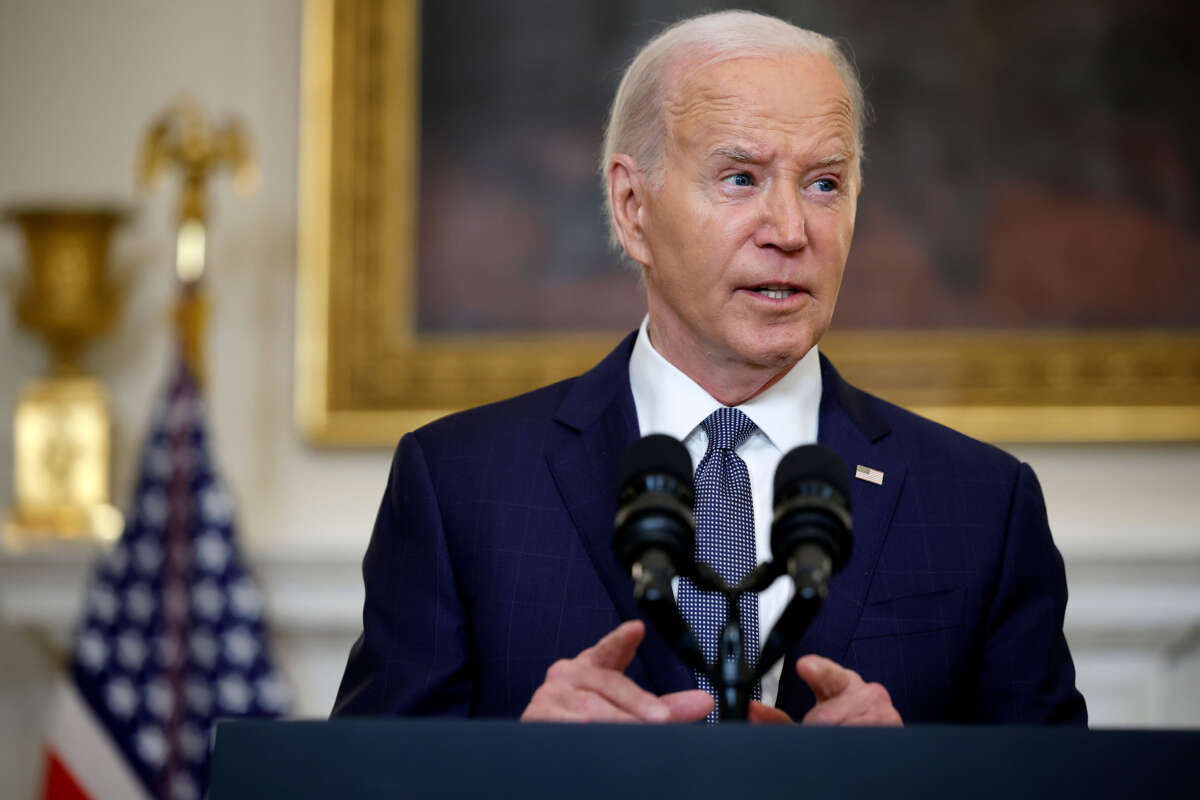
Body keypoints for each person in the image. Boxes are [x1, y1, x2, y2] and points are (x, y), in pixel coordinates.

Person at [333, 10, 1087, 726]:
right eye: (741, 179)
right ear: (632, 208)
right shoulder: (460, 486)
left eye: (824, 183)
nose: (791, 231)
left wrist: (913, 779)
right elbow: (363, 781)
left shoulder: (984, 505)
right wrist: (522, 767)